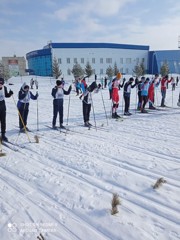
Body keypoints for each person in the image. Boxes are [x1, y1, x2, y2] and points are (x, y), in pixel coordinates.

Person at [0, 77, 13, 142]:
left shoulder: (4, 88)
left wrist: (10, 93)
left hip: (2, 106)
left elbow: (6, 95)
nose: (0, 84)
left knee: (3, 121)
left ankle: (3, 135)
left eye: (1, 83)